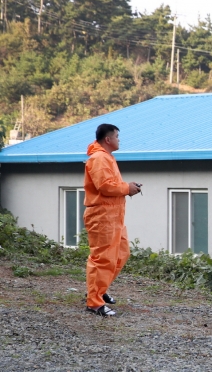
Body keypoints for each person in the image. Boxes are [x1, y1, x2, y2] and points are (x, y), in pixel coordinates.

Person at [83, 124, 142, 317]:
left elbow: (111, 184)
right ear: (108, 139)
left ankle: (98, 290)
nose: (119, 140)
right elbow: (105, 186)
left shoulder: (107, 157)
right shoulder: (99, 158)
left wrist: (128, 186)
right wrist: (127, 188)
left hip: (113, 216)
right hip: (102, 216)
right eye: (117, 136)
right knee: (103, 258)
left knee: (121, 254)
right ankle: (94, 302)